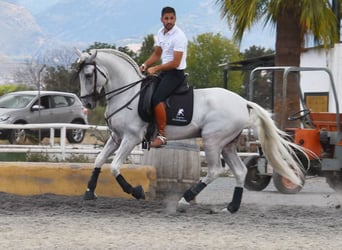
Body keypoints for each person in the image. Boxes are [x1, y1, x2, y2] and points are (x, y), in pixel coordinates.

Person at [140, 6, 188, 148]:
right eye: (166, 18)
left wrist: (156, 68)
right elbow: (157, 54)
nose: (169, 21)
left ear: (175, 19)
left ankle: (162, 135)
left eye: (171, 18)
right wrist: (145, 64)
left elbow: (175, 63)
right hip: (164, 72)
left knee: (156, 98)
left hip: (175, 73)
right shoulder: (161, 33)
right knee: (145, 92)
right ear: (161, 19)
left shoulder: (179, 36)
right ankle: (149, 128)